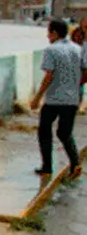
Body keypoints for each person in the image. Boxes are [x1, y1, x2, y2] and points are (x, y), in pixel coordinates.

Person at [30, 20, 84, 180]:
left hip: (54, 99)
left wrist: (37, 97)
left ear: (54, 33)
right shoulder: (78, 49)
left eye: (49, 32)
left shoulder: (51, 50)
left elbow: (49, 76)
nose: (47, 36)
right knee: (65, 133)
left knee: (44, 131)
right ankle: (75, 163)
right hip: (73, 98)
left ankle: (47, 167)